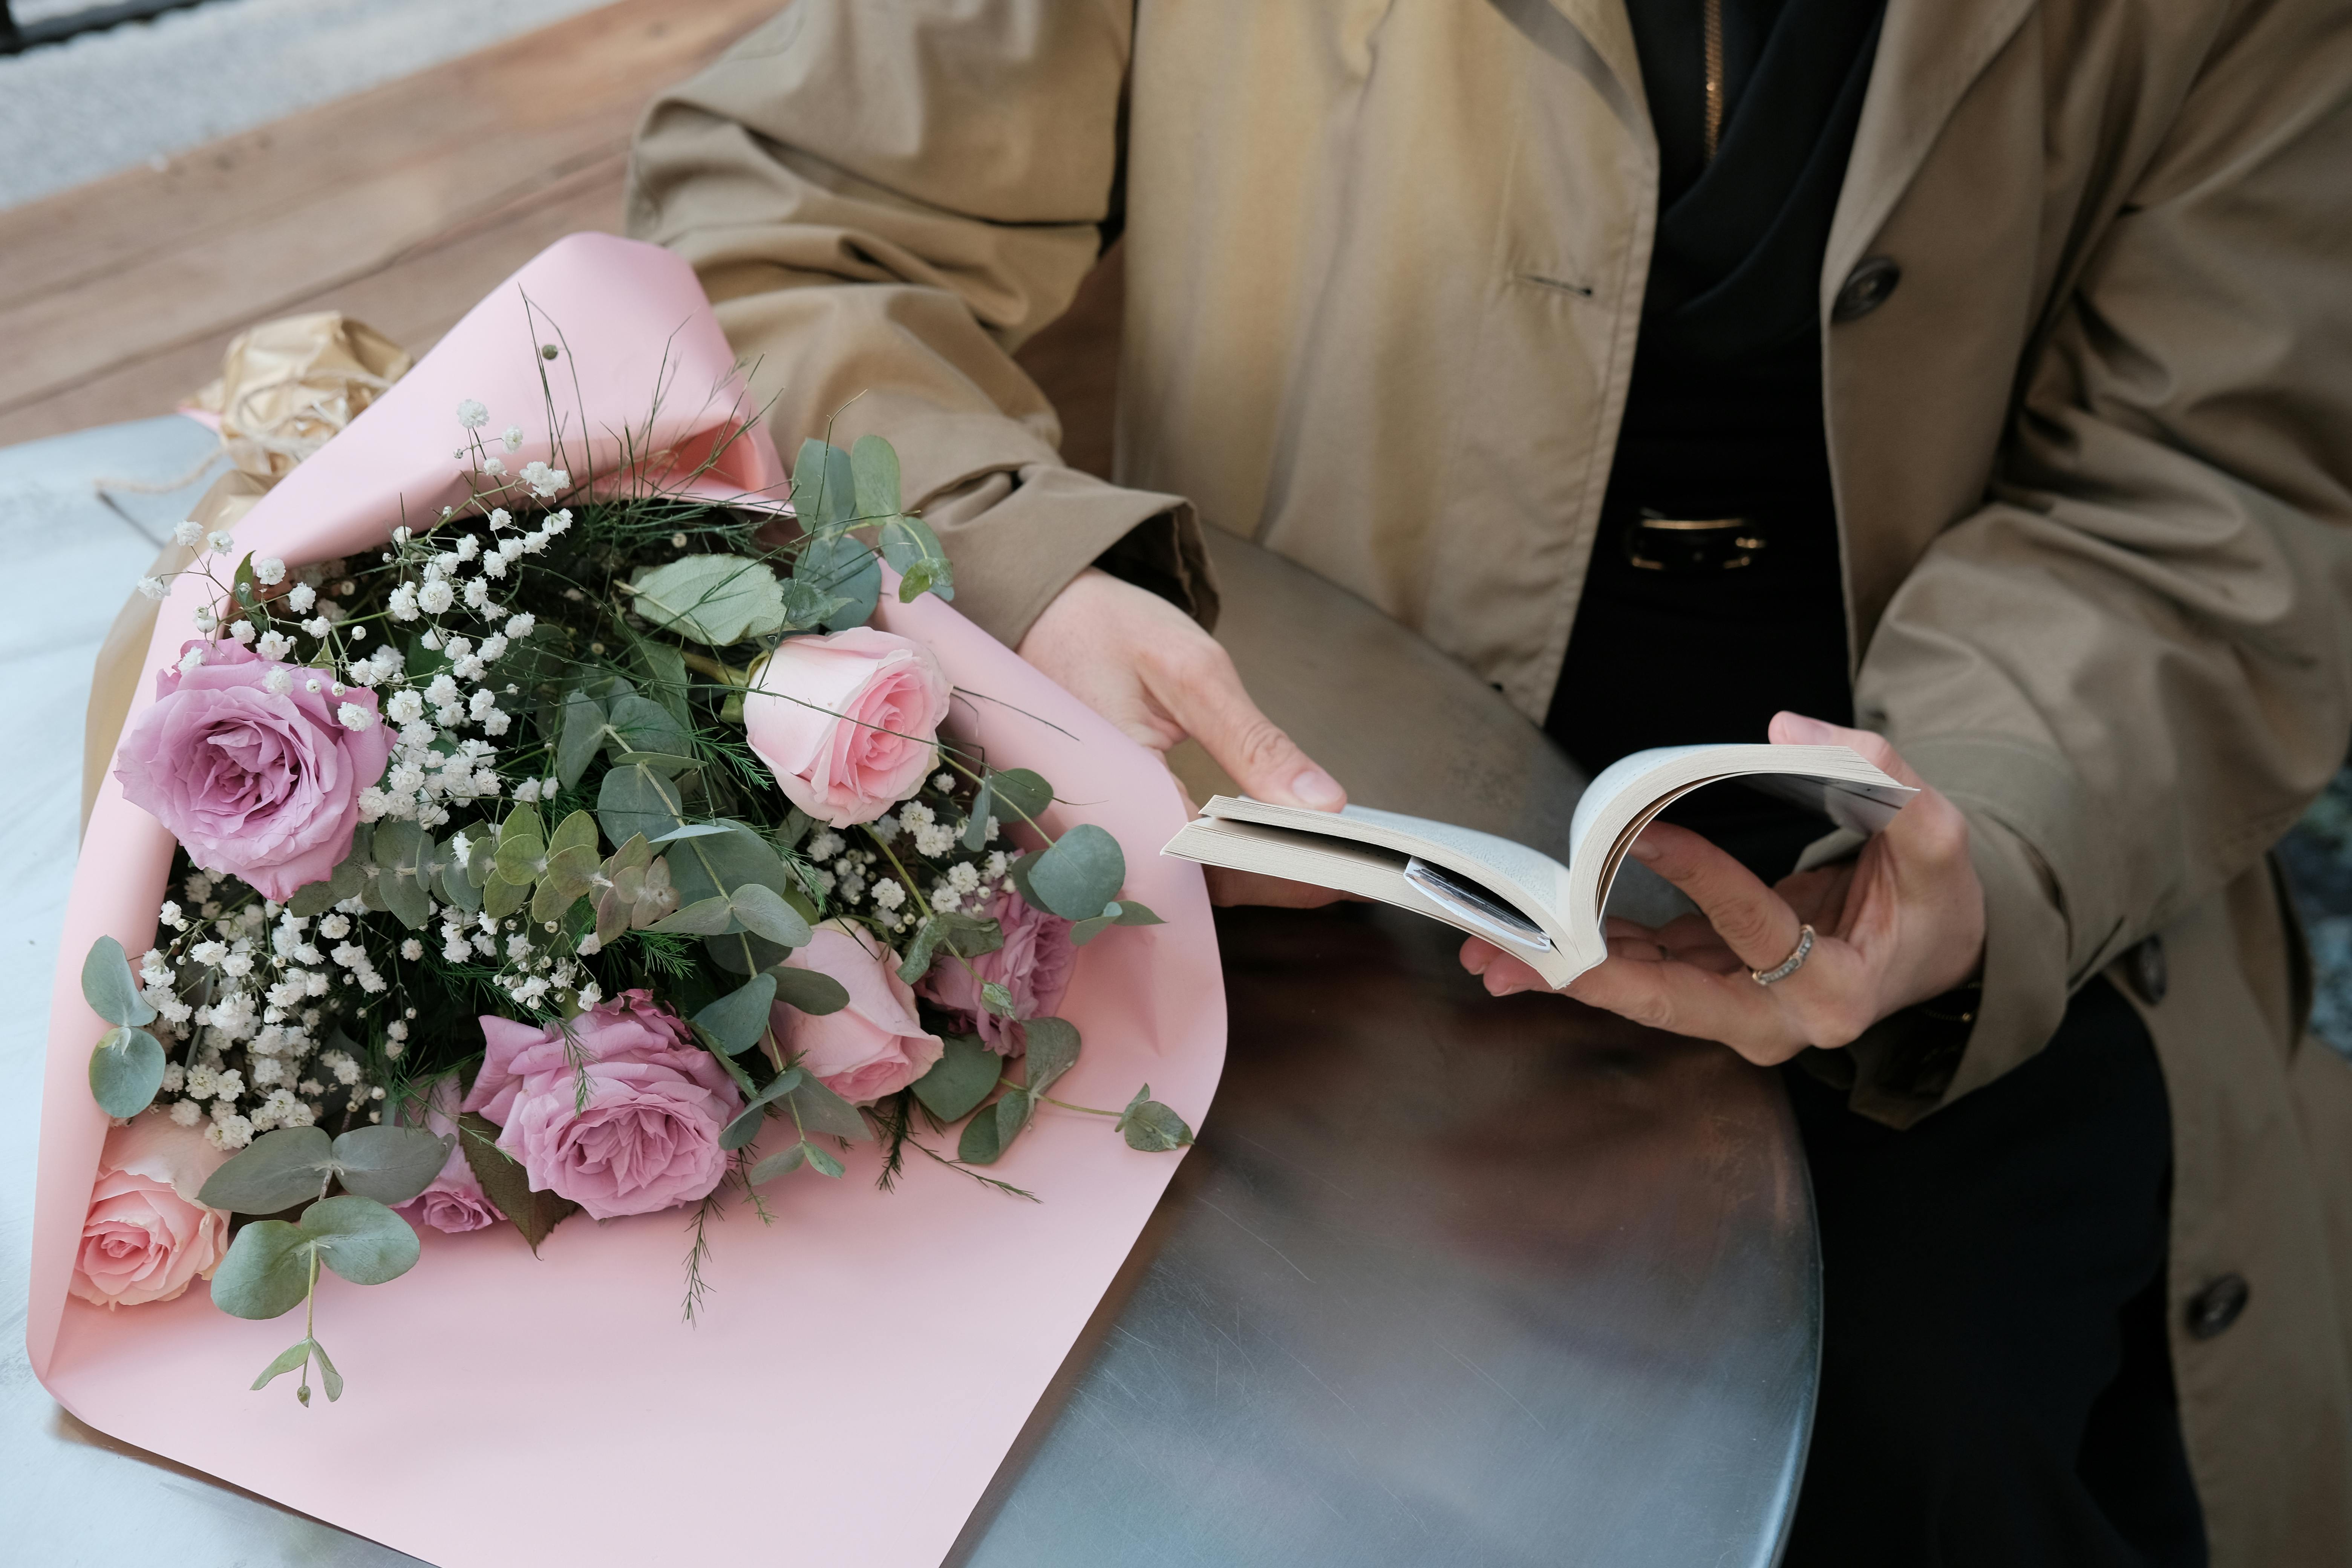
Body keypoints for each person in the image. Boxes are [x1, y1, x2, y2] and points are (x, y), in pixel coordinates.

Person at [626, 2, 2352, 1560]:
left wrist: (1992, 829)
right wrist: (1027, 571)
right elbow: (777, 213)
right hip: (1285, 807)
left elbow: (2209, 485)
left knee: (1944, 1418)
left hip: (1942, 856)